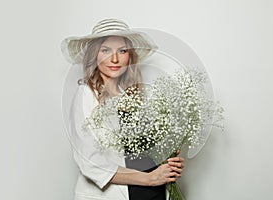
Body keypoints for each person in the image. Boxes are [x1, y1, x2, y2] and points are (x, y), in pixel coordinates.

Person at [61, 19, 185, 200]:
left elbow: (143, 150)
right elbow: (90, 162)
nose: (114, 59)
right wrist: (149, 178)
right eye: (105, 50)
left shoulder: (132, 95)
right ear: (94, 55)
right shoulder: (86, 94)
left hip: (153, 193)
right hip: (119, 193)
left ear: (130, 56)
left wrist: (168, 160)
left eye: (122, 51)